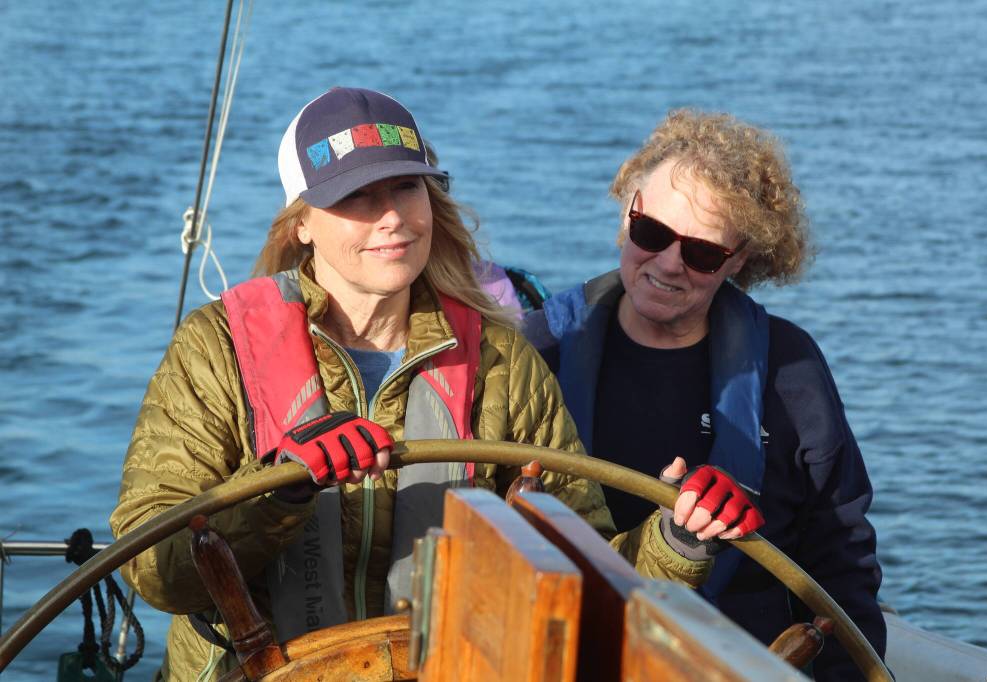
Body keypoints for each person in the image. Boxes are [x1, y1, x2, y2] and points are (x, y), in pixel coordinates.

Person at [109, 88, 762, 681]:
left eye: (406, 189)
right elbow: (152, 569)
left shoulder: (502, 361)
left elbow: (587, 582)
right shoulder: (216, 348)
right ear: (301, 222)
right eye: (357, 198)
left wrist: (680, 537)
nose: (392, 217)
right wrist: (278, 495)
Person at [524, 108, 885, 680]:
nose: (669, 264)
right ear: (627, 214)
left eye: (703, 252)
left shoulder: (791, 369)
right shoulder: (538, 351)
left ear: (739, 259)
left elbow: (840, 556)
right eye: (652, 234)